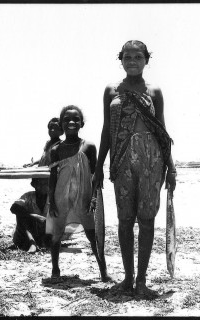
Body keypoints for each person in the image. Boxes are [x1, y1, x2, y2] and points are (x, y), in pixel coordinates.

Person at [93, 40, 177, 298]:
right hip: (121, 159)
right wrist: (98, 167)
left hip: (152, 160)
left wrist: (171, 167)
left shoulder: (154, 91)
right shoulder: (111, 91)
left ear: (146, 60)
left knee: (147, 219)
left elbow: (162, 131)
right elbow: (107, 130)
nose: (132, 61)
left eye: (138, 57)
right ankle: (127, 279)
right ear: (121, 59)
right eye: (127, 57)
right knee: (125, 220)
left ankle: (141, 281)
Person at [46, 105, 113, 282]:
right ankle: (55, 271)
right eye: (66, 119)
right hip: (61, 198)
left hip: (84, 198)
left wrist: (94, 198)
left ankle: (103, 271)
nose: (71, 122)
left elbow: (96, 176)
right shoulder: (55, 150)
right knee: (57, 234)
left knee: (93, 235)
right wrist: (51, 201)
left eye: (76, 119)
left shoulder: (89, 147)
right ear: (61, 124)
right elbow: (53, 177)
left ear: (82, 123)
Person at [10, 178, 51, 253]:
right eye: (39, 184)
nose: (42, 187)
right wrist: (34, 216)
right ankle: (32, 243)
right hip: (25, 236)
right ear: (34, 185)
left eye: (45, 184)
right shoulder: (28, 196)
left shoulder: (52, 198)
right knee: (20, 215)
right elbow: (14, 208)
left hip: (45, 234)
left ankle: (41, 243)